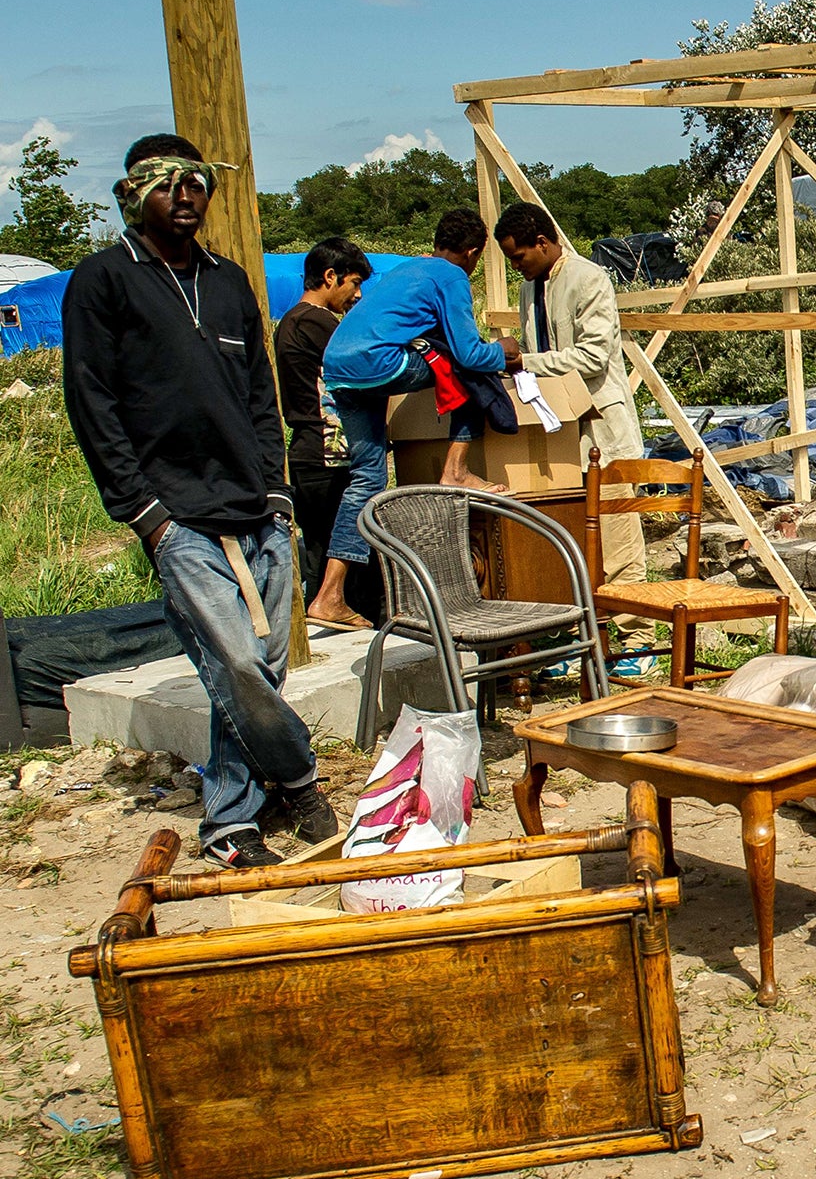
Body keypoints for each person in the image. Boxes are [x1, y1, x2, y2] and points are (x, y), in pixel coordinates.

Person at [62, 134, 336, 868]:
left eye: (196, 185)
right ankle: (298, 780)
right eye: (167, 185)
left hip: (257, 507)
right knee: (238, 669)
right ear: (134, 193)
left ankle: (235, 817)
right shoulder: (104, 280)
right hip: (177, 514)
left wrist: (278, 492)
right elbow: (91, 402)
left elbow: (258, 394)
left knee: (257, 675)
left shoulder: (228, 281)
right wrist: (143, 512)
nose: (185, 197)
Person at [320, 209, 519, 580]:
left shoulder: (406, 269)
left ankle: (330, 594)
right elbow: (469, 353)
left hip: (339, 369)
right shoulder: (452, 276)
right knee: (468, 370)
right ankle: (456, 471)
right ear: (474, 253)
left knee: (367, 478)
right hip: (378, 363)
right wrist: (505, 351)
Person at [493, 200, 654, 652]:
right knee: (566, 542)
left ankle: (637, 641)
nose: (516, 266)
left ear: (542, 243)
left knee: (618, 542)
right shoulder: (530, 288)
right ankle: (576, 642)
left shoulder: (589, 279)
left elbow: (592, 356)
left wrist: (524, 360)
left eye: (519, 257)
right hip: (557, 435)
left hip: (603, 432)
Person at [278, 237, 379, 628]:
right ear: (329, 276)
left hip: (306, 450)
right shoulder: (315, 322)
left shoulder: (290, 322)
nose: (355, 294)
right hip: (327, 450)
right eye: (353, 283)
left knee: (322, 550)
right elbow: (365, 362)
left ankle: (331, 614)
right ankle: (338, 610)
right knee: (351, 548)